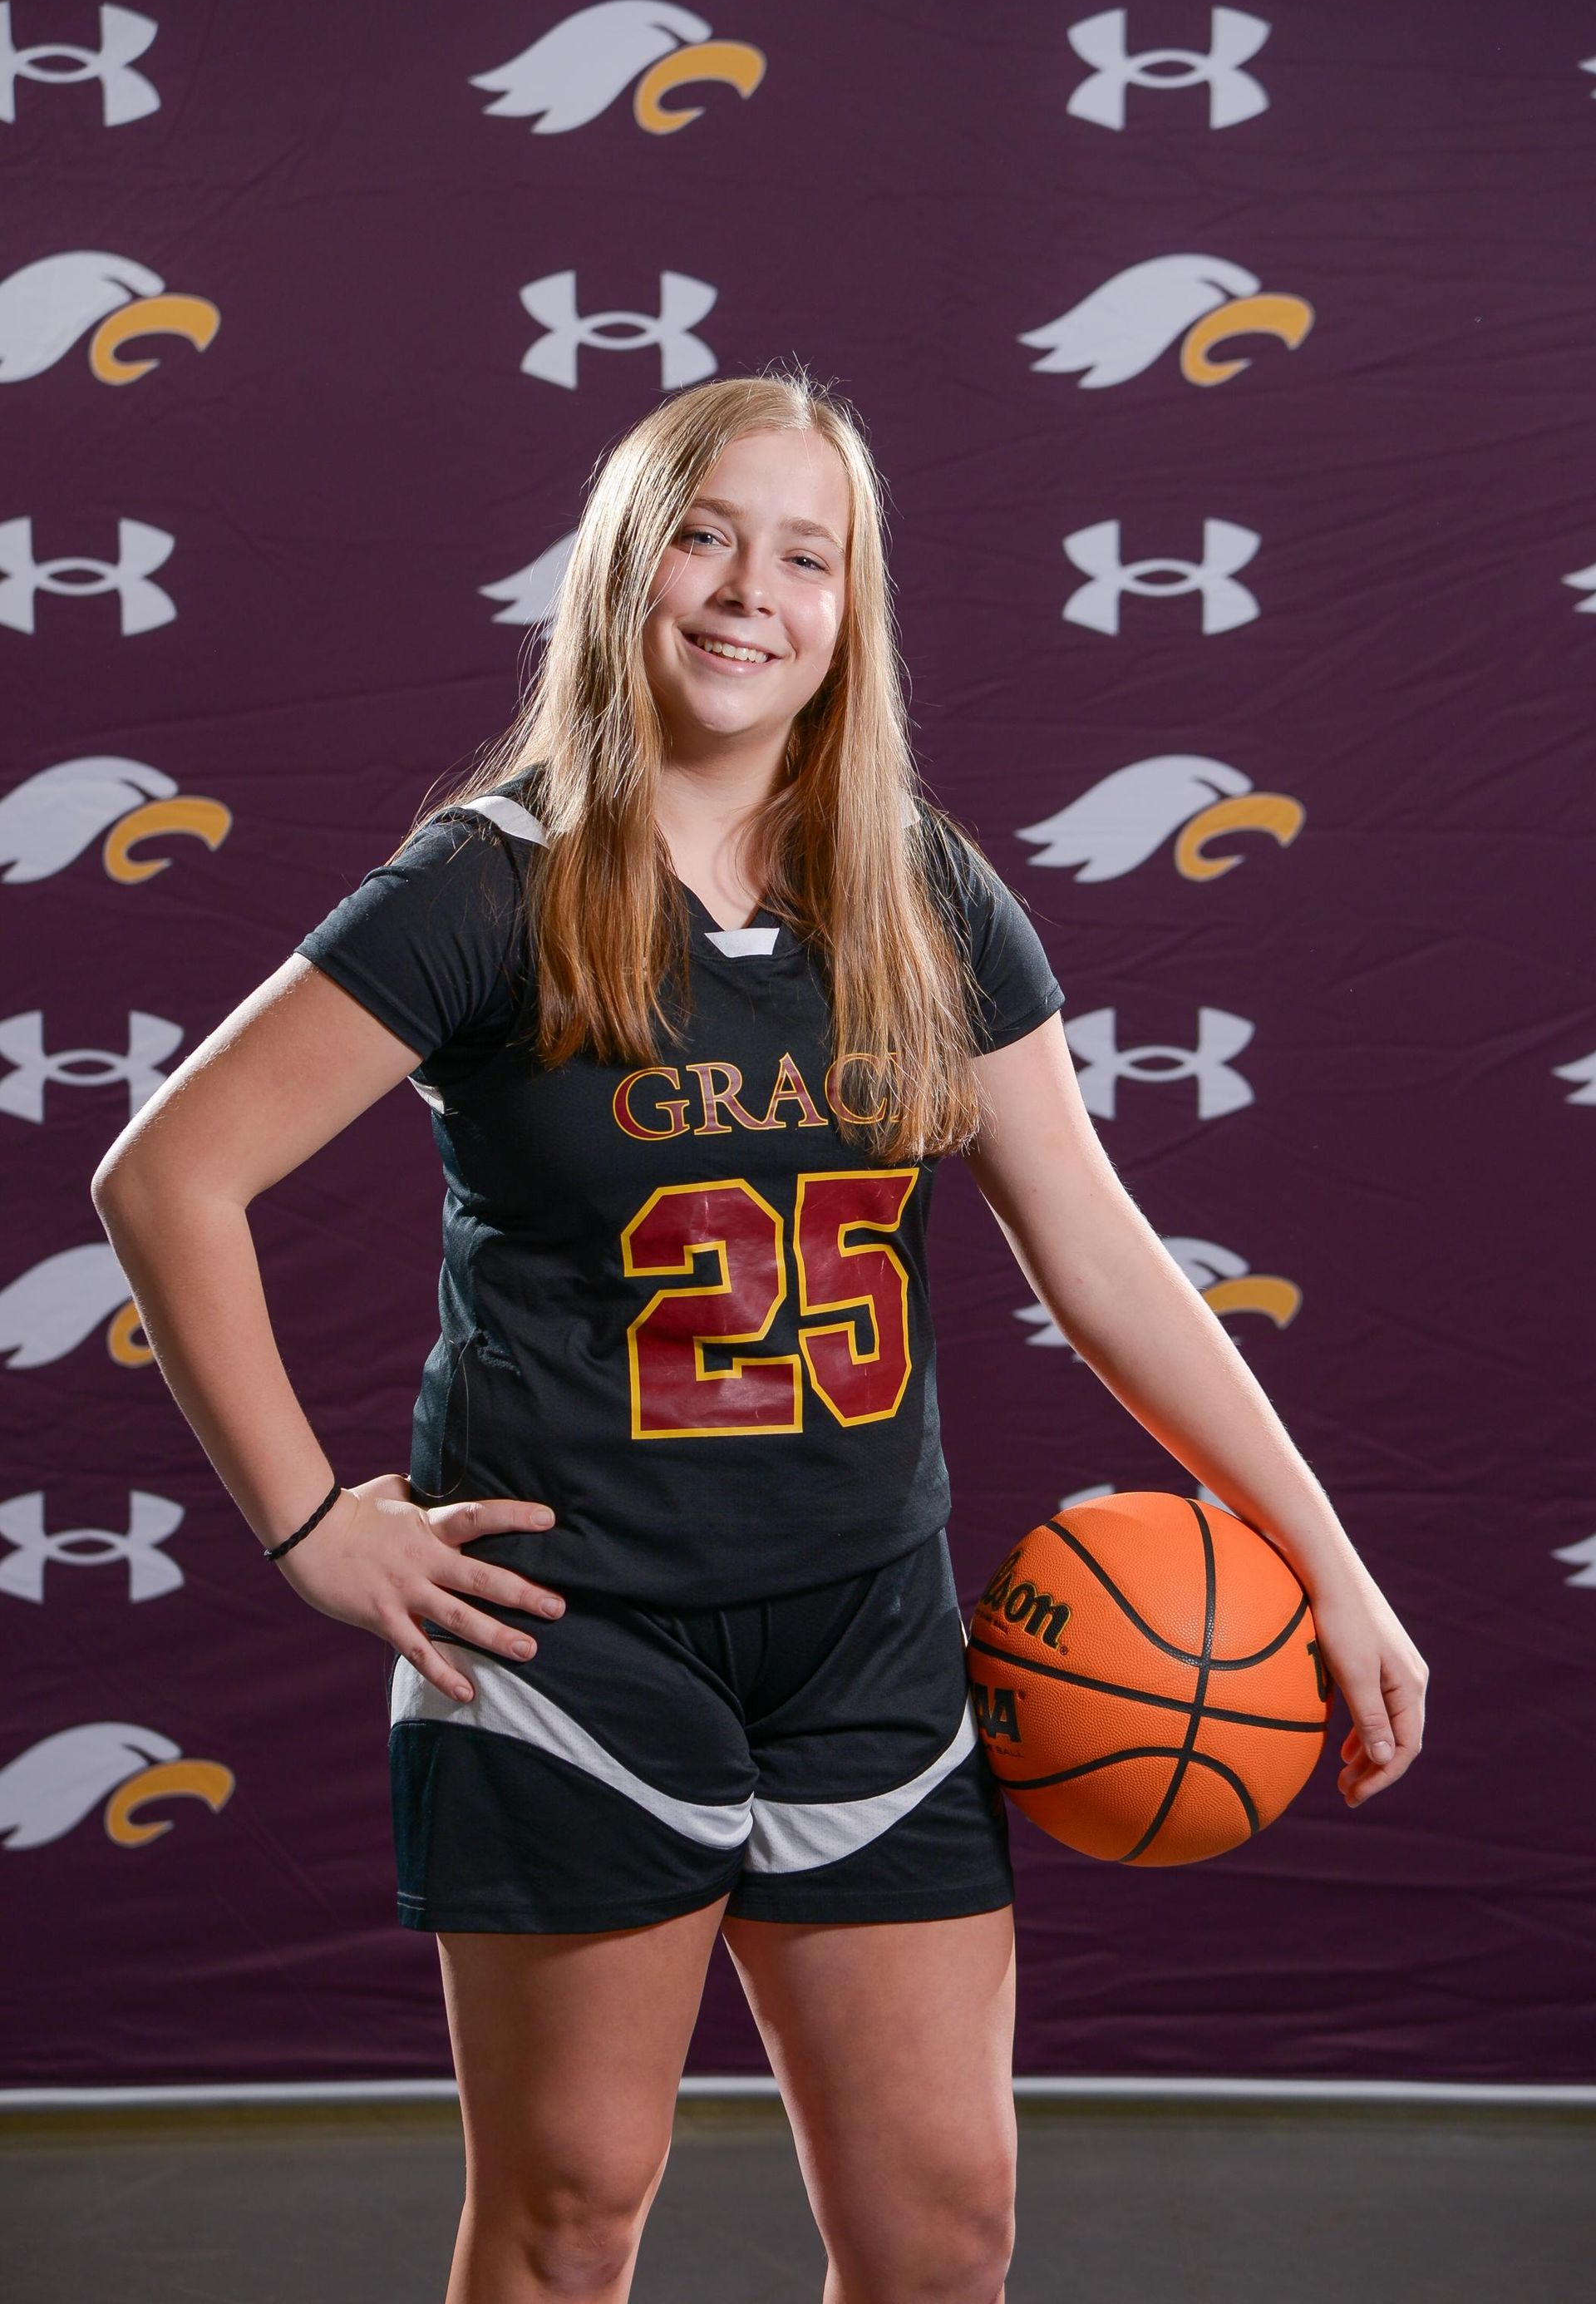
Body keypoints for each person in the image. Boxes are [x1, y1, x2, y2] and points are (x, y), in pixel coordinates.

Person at [90, 369, 1426, 2304]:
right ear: (623, 573)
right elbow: (168, 1178)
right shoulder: (497, 879)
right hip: (577, 1649)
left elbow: (1104, 1257)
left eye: (805, 555)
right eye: (704, 537)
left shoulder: (920, 885)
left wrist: (1334, 1563)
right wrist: (315, 1525)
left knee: (944, 2233)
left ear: (850, 612)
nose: (747, 593)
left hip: (869, 1640)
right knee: (565, 2229)